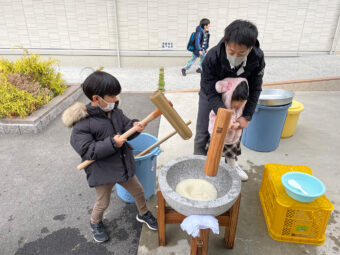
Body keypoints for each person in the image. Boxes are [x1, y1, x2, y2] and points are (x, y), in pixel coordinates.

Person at [62, 71, 158, 243]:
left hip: (122, 165)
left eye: (116, 94)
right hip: (102, 171)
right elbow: (87, 151)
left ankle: (143, 214)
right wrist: (112, 143)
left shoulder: (115, 112)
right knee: (102, 202)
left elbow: (126, 128)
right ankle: (95, 222)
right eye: (111, 95)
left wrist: (135, 126)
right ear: (96, 98)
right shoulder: (83, 124)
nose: (115, 99)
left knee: (139, 191)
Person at [194, 19, 265, 171]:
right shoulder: (212, 57)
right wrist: (223, 114)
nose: (235, 55)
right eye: (231, 51)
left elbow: (255, 88)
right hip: (212, 93)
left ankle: (231, 164)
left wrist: (246, 116)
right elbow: (209, 88)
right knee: (203, 131)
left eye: (241, 53)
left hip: (239, 96)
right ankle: (198, 162)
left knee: (234, 131)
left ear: (251, 48)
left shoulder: (257, 58)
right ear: (226, 42)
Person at [206, 77, 249, 181]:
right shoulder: (220, 107)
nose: (238, 104)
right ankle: (211, 170)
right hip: (219, 137)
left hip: (232, 138)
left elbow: (241, 118)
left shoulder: (239, 108)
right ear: (228, 96)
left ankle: (232, 172)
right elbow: (214, 120)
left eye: (241, 101)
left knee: (231, 156)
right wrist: (229, 124)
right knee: (214, 153)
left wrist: (239, 123)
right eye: (236, 101)